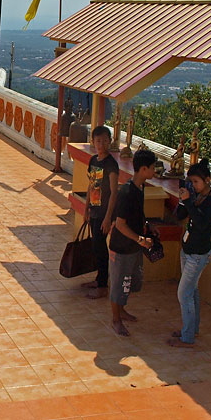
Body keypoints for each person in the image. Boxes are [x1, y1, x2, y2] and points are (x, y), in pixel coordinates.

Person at [169, 158, 211, 348]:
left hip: (198, 254)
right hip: (187, 249)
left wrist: (189, 202)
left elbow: (202, 224)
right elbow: (180, 216)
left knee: (184, 294)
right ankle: (191, 329)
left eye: (196, 182)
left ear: (207, 180)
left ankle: (187, 336)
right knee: (192, 292)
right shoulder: (194, 196)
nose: (194, 186)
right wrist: (184, 201)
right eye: (191, 182)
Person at [107, 148, 156, 336]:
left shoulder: (139, 188)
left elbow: (136, 215)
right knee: (119, 283)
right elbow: (120, 224)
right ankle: (115, 320)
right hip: (122, 247)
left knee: (128, 282)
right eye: (152, 168)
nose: (154, 172)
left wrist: (147, 226)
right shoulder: (127, 192)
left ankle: (122, 311)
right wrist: (140, 239)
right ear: (143, 169)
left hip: (134, 246)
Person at [81, 126, 119, 299]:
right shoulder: (94, 161)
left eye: (104, 140)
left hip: (104, 212)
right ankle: (99, 279)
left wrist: (108, 218)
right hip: (94, 209)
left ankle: (103, 285)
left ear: (109, 141)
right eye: (98, 141)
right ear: (93, 142)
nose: (101, 144)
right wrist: (86, 208)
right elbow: (91, 185)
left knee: (100, 247)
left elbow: (113, 192)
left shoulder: (111, 164)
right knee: (96, 247)